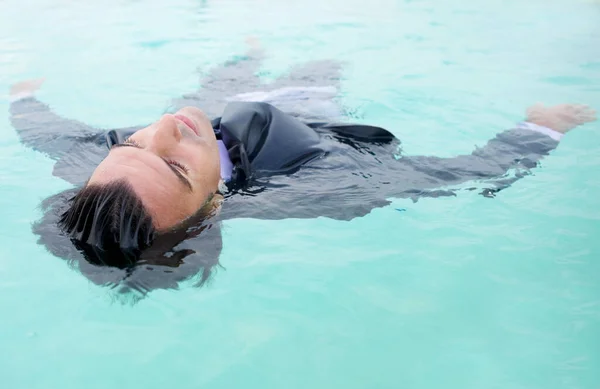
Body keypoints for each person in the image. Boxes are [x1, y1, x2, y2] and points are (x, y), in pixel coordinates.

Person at [8, 46, 597, 295]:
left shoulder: (95, 165)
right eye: (172, 163)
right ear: (213, 205)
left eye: (133, 143)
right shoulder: (320, 188)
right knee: (321, 62)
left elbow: (44, 134)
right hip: (305, 110)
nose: (161, 124)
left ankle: (251, 50)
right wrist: (542, 127)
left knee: (231, 69)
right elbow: (457, 175)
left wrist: (20, 98)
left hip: (223, 99)